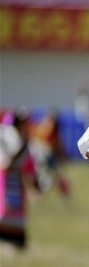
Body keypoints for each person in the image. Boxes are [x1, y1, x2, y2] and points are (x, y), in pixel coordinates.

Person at [0, 107, 39, 253]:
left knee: (16, 216)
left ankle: (15, 246)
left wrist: (35, 186)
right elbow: (6, 163)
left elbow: (30, 167)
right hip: (5, 182)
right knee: (4, 212)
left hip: (17, 184)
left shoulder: (25, 143)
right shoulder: (5, 137)